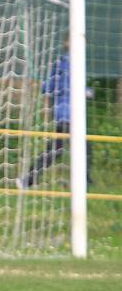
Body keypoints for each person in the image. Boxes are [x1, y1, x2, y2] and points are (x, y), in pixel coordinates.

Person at [17, 35, 92, 189]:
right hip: (67, 113)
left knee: (66, 148)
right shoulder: (65, 63)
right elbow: (61, 86)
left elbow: (49, 87)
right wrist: (84, 92)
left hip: (70, 113)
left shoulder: (74, 62)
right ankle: (27, 180)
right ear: (67, 42)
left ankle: (28, 180)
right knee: (65, 149)